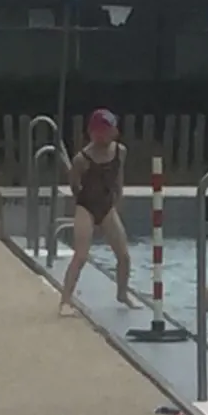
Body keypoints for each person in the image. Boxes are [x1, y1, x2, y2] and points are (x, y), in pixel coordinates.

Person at [57, 108, 140, 315]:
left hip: (107, 206)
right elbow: (74, 186)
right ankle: (65, 301)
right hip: (86, 207)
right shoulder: (82, 159)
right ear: (96, 133)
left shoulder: (120, 151)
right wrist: (84, 209)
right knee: (81, 255)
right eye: (109, 129)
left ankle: (122, 293)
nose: (114, 132)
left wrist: (116, 203)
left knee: (124, 256)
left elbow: (119, 180)